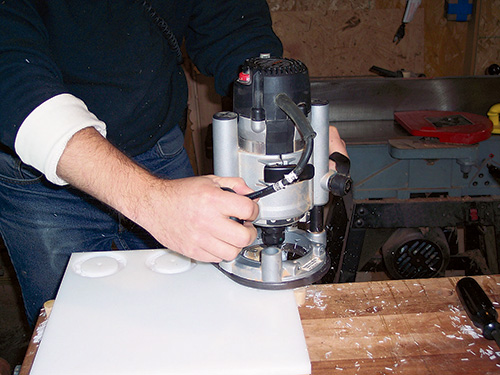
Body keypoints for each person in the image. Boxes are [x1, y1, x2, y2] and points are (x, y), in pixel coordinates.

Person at [0, 0, 347, 326]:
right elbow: (11, 74)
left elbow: (231, 21)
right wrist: (151, 202)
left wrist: (279, 108)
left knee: (187, 316)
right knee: (69, 326)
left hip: (156, 144)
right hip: (42, 166)